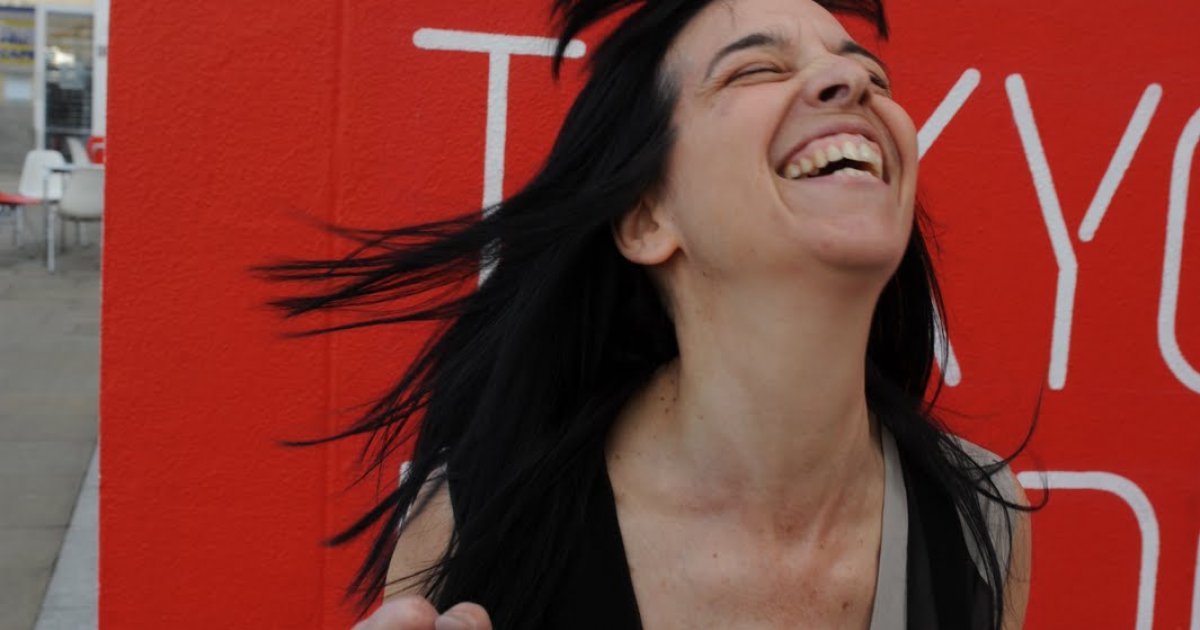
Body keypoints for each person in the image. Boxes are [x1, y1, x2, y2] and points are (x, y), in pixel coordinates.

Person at [263, 0, 1035, 627]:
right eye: (757, 69)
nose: (850, 80)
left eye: (871, 73)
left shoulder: (982, 522)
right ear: (645, 219)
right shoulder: (480, 518)